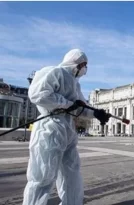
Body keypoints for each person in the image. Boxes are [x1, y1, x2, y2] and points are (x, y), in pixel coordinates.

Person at [23, 49, 111, 205]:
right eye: (84, 65)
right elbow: (38, 94)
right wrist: (68, 104)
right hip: (49, 128)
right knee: (43, 175)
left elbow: (80, 107)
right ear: (76, 63)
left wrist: (96, 113)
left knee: (71, 172)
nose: (85, 69)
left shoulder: (75, 84)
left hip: (68, 131)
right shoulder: (54, 72)